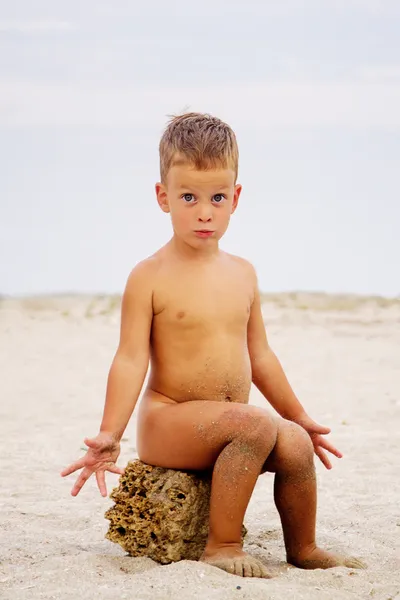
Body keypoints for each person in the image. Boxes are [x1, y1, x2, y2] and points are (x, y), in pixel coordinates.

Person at [61, 112, 364, 578]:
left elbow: (260, 356)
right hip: (170, 422)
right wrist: (109, 435)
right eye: (188, 197)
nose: (205, 211)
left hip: (231, 426)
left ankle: (303, 547)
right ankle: (222, 545)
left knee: (295, 443)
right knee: (255, 426)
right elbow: (130, 359)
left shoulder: (243, 273)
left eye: (217, 197)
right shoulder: (150, 275)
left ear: (235, 198)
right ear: (163, 197)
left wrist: (299, 415)